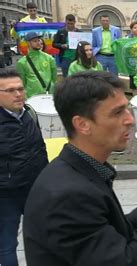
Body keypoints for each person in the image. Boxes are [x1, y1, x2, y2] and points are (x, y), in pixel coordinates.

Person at [22, 71, 137, 265]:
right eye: (118, 112)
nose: (131, 120)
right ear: (83, 124)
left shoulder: (81, 172)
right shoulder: (68, 196)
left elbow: (108, 233)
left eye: (127, 109)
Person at [0, 69, 48, 266]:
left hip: (34, 189)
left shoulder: (29, 113)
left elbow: (39, 148)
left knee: (44, 239)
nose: (18, 94)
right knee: (6, 246)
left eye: (20, 89)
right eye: (10, 90)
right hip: (5, 195)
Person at [16, 32, 57, 98]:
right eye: (35, 41)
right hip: (31, 97)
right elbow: (22, 83)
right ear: (28, 43)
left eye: (38, 40)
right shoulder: (21, 62)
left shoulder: (50, 58)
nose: (38, 42)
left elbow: (54, 78)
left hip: (49, 95)